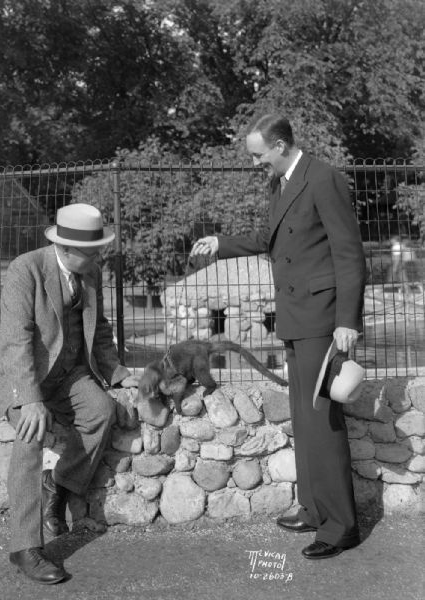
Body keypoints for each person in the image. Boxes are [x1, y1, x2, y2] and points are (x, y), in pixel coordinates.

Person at [191, 114, 366, 560]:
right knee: (304, 422)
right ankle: (313, 508)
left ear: (282, 145)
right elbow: (271, 237)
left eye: (258, 154)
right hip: (293, 315)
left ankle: (341, 526)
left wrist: (348, 320)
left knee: (322, 421)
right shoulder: (281, 182)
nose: (255, 163)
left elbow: (349, 253)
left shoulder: (323, 178)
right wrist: (221, 243)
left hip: (322, 317)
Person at [0, 203, 136, 584]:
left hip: (67, 374)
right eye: (93, 250)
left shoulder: (90, 272)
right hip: (19, 377)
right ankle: (25, 547)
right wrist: (30, 399)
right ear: (66, 249)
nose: (100, 255)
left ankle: (61, 484)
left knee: (102, 410)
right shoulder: (26, 269)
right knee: (31, 434)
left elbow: (99, 329)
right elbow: (18, 339)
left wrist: (116, 374)